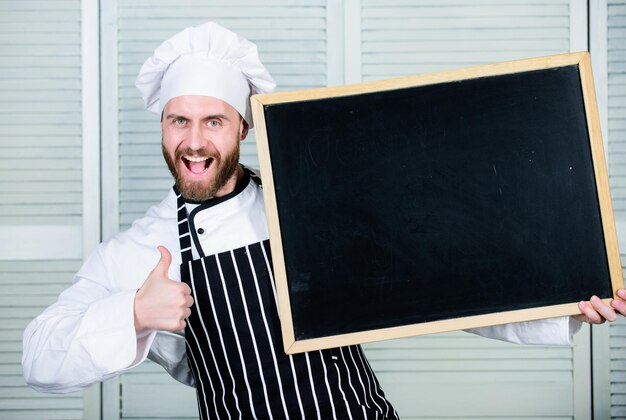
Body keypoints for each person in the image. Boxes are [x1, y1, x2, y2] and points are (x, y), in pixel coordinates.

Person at [22, 21, 626, 419]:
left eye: (214, 121)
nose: (195, 140)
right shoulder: (138, 250)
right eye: (180, 120)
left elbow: (434, 293)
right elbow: (39, 360)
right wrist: (131, 314)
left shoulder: (313, 203)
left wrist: (564, 304)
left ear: (244, 127)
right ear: (162, 127)